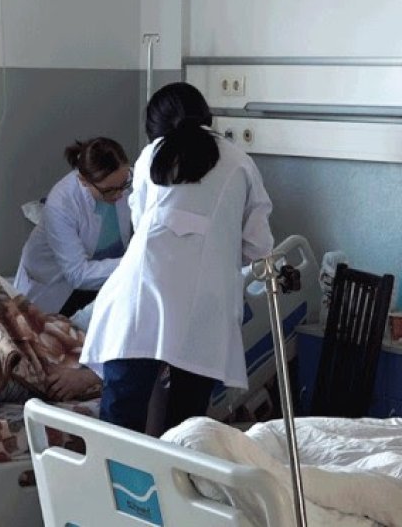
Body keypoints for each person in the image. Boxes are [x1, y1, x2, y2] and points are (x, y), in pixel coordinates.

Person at [80, 82, 274, 435]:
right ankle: (176, 471)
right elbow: (258, 247)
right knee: (186, 428)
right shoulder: (240, 163)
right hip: (204, 308)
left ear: (155, 125)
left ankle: (118, 473)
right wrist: (218, 243)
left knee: (120, 422)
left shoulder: (150, 156)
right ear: (206, 115)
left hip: (140, 298)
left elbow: (141, 224)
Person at [14, 137, 133, 316]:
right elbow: (78, 274)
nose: (119, 195)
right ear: (83, 180)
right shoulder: (61, 203)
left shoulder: (129, 179)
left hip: (105, 277)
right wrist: (134, 262)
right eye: (109, 190)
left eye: (124, 185)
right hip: (56, 284)